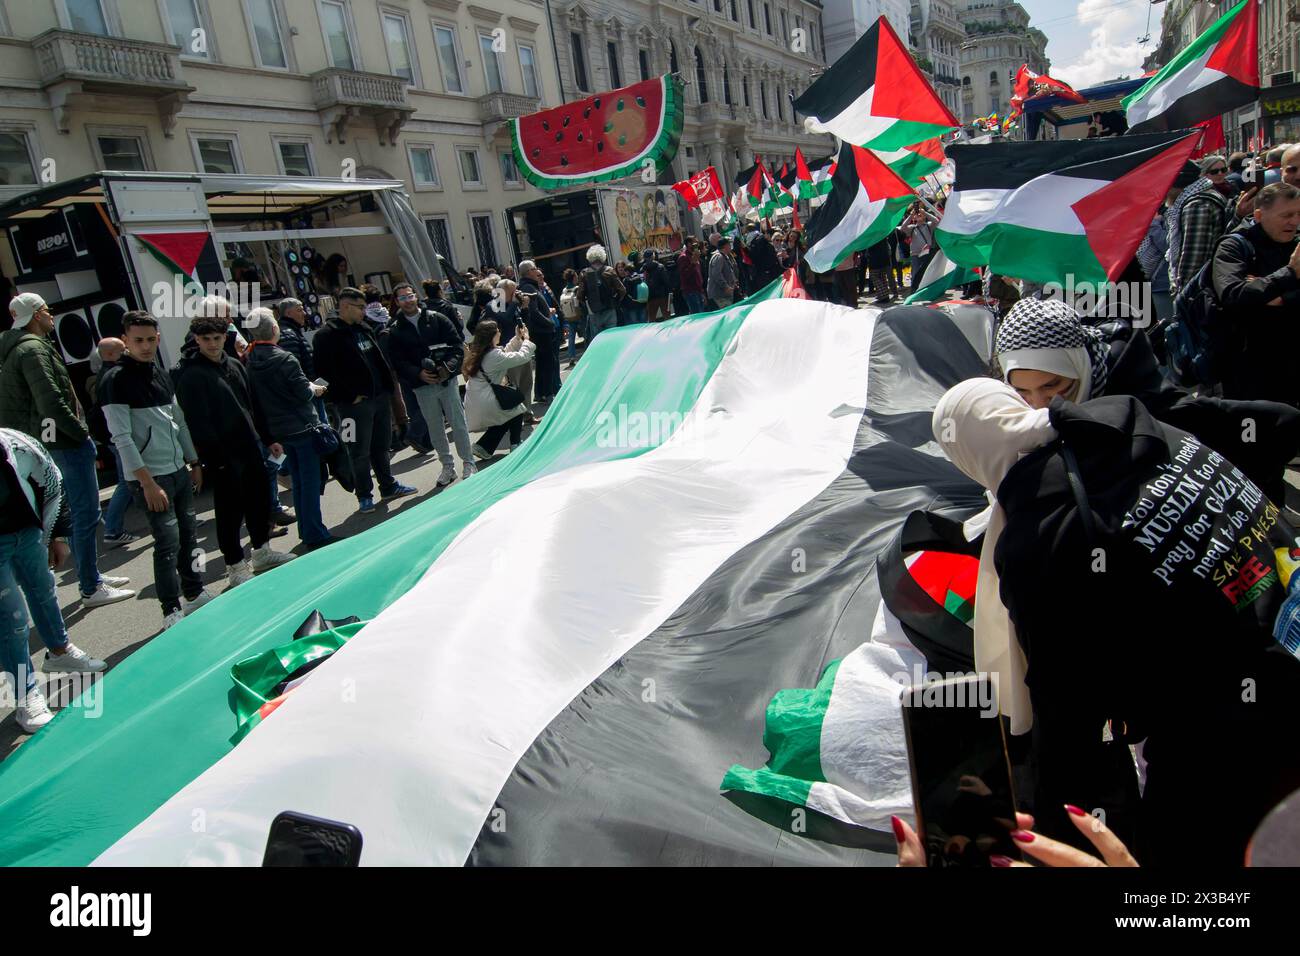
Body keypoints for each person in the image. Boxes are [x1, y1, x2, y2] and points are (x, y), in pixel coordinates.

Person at [933, 378, 1300, 866]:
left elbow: (1064, 711)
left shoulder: (1038, 535)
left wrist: (1050, 829)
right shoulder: (1127, 426)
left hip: (1232, 738)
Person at [994, 296, 1300, 505]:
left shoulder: (1144, 399)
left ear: (1079, 365)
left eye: (1053, 386)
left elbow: (1247, 425)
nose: (1040, 404)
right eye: (1023, 392)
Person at [0, 293, 133, 608]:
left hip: (48, 444)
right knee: (85, 513)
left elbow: (39, 407)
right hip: (63, 443)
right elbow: (49, 403)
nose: (51, 316)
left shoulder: (18, 349)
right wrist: (78, 434)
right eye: (47, 311)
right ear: (35, 314)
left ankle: (92, 576)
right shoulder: (32, 349)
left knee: (77, 512)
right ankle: (90, 586)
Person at [99, 312, 212, 630]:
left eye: (150, 339)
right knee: (167, 543)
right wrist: (146, 482)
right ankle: (170, 609)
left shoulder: (161, 374)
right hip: (151, 477)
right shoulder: (115, 381)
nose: (145, 346)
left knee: (189, 534)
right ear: (125, 340)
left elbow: (178, 422)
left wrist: (194, 461)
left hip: (178, 469)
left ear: (158, 338)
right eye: (138, 340)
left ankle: (193, 592)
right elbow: (121, 438)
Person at [172, 310, 296, 587]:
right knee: (229, 511)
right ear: (196, 339)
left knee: (259, 500)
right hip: (222, 455)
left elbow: (253, 405)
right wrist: (211, 459)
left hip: (250, 445)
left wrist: (268, 438)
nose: (213, 343)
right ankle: (235, 565)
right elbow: (197, 423)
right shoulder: (191, 376)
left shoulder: (235, 365)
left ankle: (262, 551)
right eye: (206, 339)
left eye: (217, 337)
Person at [0, 428, 109, 733]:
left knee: (45, 590)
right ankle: (26, 696)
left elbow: (51, 480)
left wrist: (57, 535)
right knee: (12, 618)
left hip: (28, 530)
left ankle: (59, 653)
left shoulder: (16, 444)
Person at [312, 288, 416, 514]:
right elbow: (322, 373)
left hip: (379, 399)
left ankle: (388, 486)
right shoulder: (326, 336)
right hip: (352, 406)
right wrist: (349, 396)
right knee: (357, 451)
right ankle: (364, 496)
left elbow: (379, 360)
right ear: (346, 306)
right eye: (360, 308)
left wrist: (388, 389)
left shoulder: (364, 328)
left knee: (382, 446)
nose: (364, 312)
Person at [244, 309, 338, 550]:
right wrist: (315, 389)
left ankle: (307, 530)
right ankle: (314, 532)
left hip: (278, 431)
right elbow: (303, 393)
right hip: (302, 427)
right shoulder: (285, 359)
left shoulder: (250, 360)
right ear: (274, 329)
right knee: (309, 481)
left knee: (298, 481)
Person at [1212, 182, 1300, 405]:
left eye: (1299, 214)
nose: (1295, 222)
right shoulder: (1235, 246)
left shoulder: (1296, 243)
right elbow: (1234, 295)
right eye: (1287, 215)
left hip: (1291, 363)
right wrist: (1290, 273)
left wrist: (1283, 298)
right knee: (1251, 435)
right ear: (1259, 215)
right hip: (1247, 366)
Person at [384, 282, 475, 486]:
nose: (407, 301)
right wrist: (418, 374)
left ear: (416, 296)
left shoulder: (437, 318)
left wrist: (447, 369)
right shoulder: (395, 329)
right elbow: (397, 361)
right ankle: (447, 466)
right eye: (403, 298)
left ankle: (469, 462)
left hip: (447, 382)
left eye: (410, 296)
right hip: (421, 386)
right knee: (435, 427)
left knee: (457, 423)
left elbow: (456, 347)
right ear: (397, 302)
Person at [86, 337, 138, 549]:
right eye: (122, 349)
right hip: (117, 438)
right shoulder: (112, 377)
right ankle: (113, 529)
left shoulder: (100, 378)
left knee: (131, 481)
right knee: (128, 482)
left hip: (111, 438)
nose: (127, 351)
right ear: (109, 354)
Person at [464, 319, 535, 459]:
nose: (500, 333)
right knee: (516, 406)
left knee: (505, 416)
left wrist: (516, 337)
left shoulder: (480, 352)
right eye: (498, 331)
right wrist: (526, 340)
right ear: (492, 335)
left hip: (476, 401)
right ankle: (515, 444)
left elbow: (505, 354)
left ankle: (484, 447)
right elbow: (522, 357)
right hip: (486, 400)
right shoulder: (493, 355)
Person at [1167, 155, 1231, 296]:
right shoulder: (1202, 196)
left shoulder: (1197, 205)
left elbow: (1193, 257)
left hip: (1199, 291)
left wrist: (1183, 295)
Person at [518, 261, 562, 404]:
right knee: (547, 362)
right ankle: (547, 393)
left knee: (544, 362)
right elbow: (534, 312)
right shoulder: (527, 287)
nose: (537, 271)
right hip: (541, 332)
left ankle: (541, 393)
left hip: (542, 330)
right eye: (534, 268)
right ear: (528, 271)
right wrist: (550, 322)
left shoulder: (532, 286)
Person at [576, 244, 624, 344]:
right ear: (602, 256)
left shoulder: (584, 273)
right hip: (610, 309)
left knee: (598, 340)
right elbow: (622, 290)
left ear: (589, 258)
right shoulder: (609, 270)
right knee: (612, 336)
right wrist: (616, 301)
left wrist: (588, 304)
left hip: (594, 312)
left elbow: (579, 295)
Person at [901, 205, 940, 291]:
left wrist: (924, 213)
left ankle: (926, 289)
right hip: (915, 254)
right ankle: (915, 289)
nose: (918, 215)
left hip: (927, 253)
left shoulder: (929, 225)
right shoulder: (912, 228)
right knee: (915, 272)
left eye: (920, 214)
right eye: (916, 214)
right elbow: (903, 227)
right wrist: (911, 215)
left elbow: (936, 221)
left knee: (927, 272)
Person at [558, 267, 583, 367]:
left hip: (569, 317)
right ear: (573, 278)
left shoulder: (564, 290)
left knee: (571, 338)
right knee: (586, 334)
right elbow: (580, 303)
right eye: (576, 276)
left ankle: (571, 357)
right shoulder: (576, 289)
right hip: (578, 315)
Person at [707, 237, 738, 308]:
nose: (730, 246)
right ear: (725, 246)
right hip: (720, 295)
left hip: (725, 294)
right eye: (729, 244)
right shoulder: (719, 257)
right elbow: (716, 274)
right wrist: (725, 287)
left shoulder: (725, 255)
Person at [642, 248, 672, 322]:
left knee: (651, 319)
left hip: (650, 297)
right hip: (663, 295)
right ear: (653, 256)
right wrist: (670, 292)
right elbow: (666, 281)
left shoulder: (643, 268)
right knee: (667, 317)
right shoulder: (660, 266)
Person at [677, 240, 706, 314]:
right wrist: (692, 263)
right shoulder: (683, 257)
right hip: (691, 290)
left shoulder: (694, 255)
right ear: (689, 244)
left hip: (698, 289)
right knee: (697, 314)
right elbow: (685, 275)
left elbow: (699, 273)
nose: (697, 245)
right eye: (694, 243)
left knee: (702, 313)